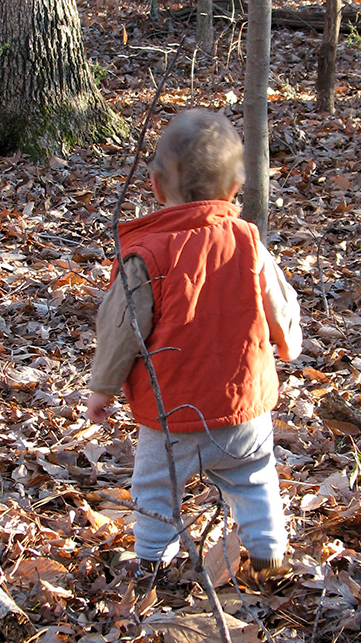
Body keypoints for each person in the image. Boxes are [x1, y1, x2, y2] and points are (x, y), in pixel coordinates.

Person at [86, 108, 302, 583]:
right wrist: (289, 343)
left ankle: (150, 563)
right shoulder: (248, 242)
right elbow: (279, 303)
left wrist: (102, 386)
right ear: (234, 190)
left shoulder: (147, 254)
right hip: (245, 407)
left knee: (155, 486)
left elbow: (123, 325)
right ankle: (269, 558)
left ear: (157, 186)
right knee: (256, 480)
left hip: (173, 416)